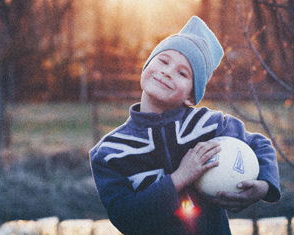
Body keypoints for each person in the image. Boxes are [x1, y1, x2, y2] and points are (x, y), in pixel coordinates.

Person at [90, 16, 281, 235]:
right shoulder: (109, 153)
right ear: (146, 66)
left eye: (182, 73)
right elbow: (125, 217)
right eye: (163, 61)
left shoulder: (210, 126)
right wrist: (179, 178)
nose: (168, 71)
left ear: (191, 96)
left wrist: (264, 186)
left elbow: (260, 145)